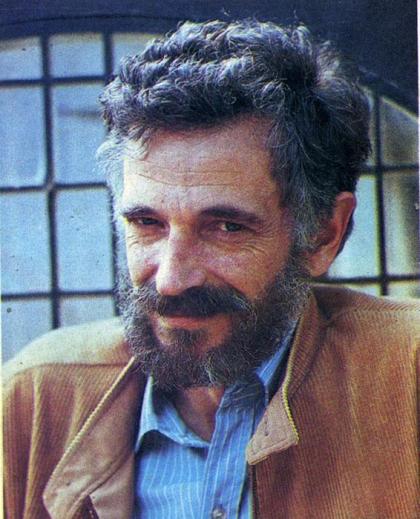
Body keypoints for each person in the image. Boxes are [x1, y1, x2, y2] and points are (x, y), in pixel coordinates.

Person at [3, 19, 419, 519]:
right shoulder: (35, 399)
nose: (171, 279)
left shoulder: (407, 378)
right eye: (147, 223)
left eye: (226, 227)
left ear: (323, 234)